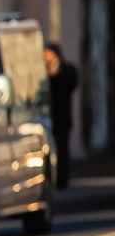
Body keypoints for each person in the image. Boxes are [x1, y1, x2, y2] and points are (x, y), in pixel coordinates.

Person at [45, 43, 78, 188]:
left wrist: (53, 74)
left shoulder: (68, 70)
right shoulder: (41, 72)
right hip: (47, 118)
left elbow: (69, 83)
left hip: (62, 118)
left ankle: (62, 180)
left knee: (62, 150)